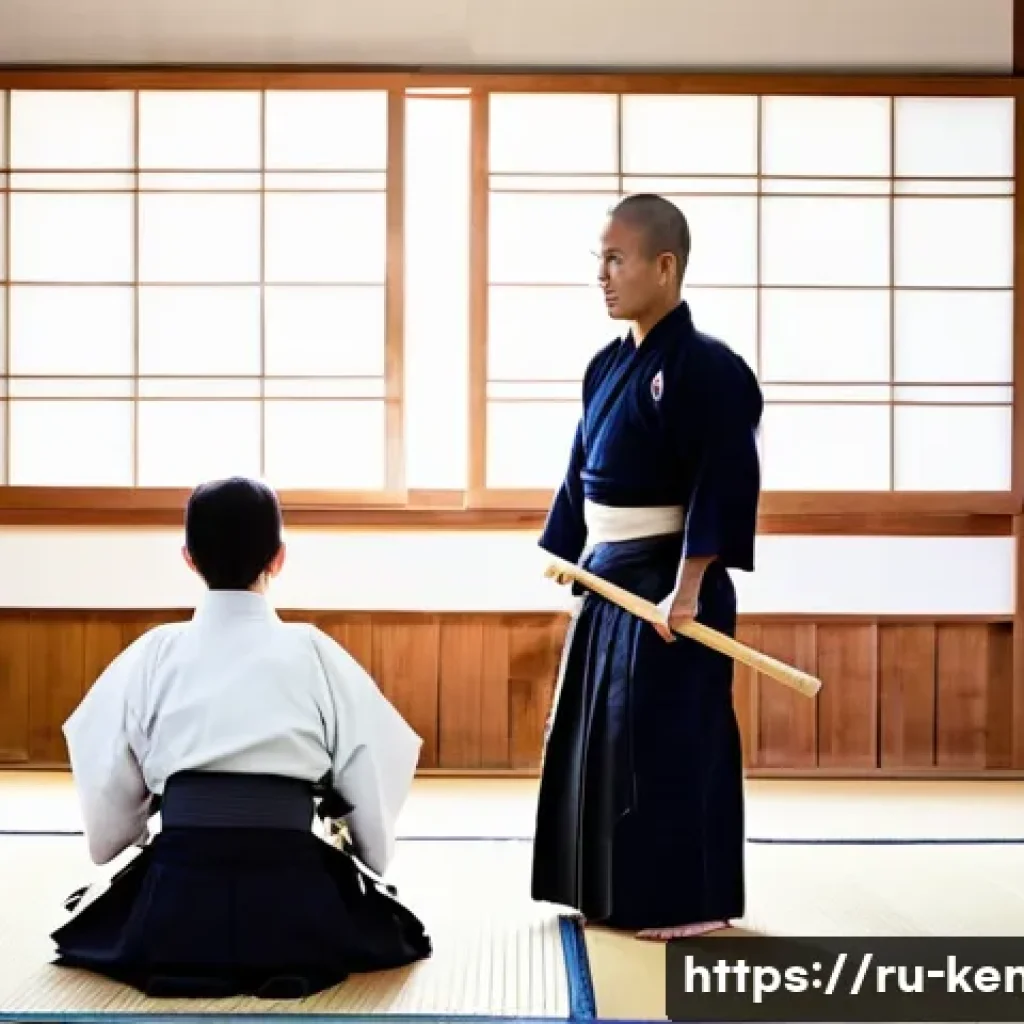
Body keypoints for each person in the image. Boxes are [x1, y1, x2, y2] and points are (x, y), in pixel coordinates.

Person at [51, 476, 431, 997]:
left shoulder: (155, 653)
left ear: (189, 559)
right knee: (381, 925)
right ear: (279, 558)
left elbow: (106, 788)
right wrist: (369, 849)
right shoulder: (313, 652)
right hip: (294, 899)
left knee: (110, 917)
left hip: (178, 898)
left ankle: (187, 954)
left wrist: (122, 833)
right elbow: (373, 760)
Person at [530, 194, 763, 941]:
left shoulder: (710, 368)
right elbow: (581, 474)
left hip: (669, 584)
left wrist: (687, 590)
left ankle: (691, 901)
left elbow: (722, 481)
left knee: (671, 740)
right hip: (609, 581)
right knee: (603, 739)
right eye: (598, 259)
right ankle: (610, 892)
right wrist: (569, 559)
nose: (601, 275)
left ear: (664, 266)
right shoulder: (606, 366)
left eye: (615, 259)